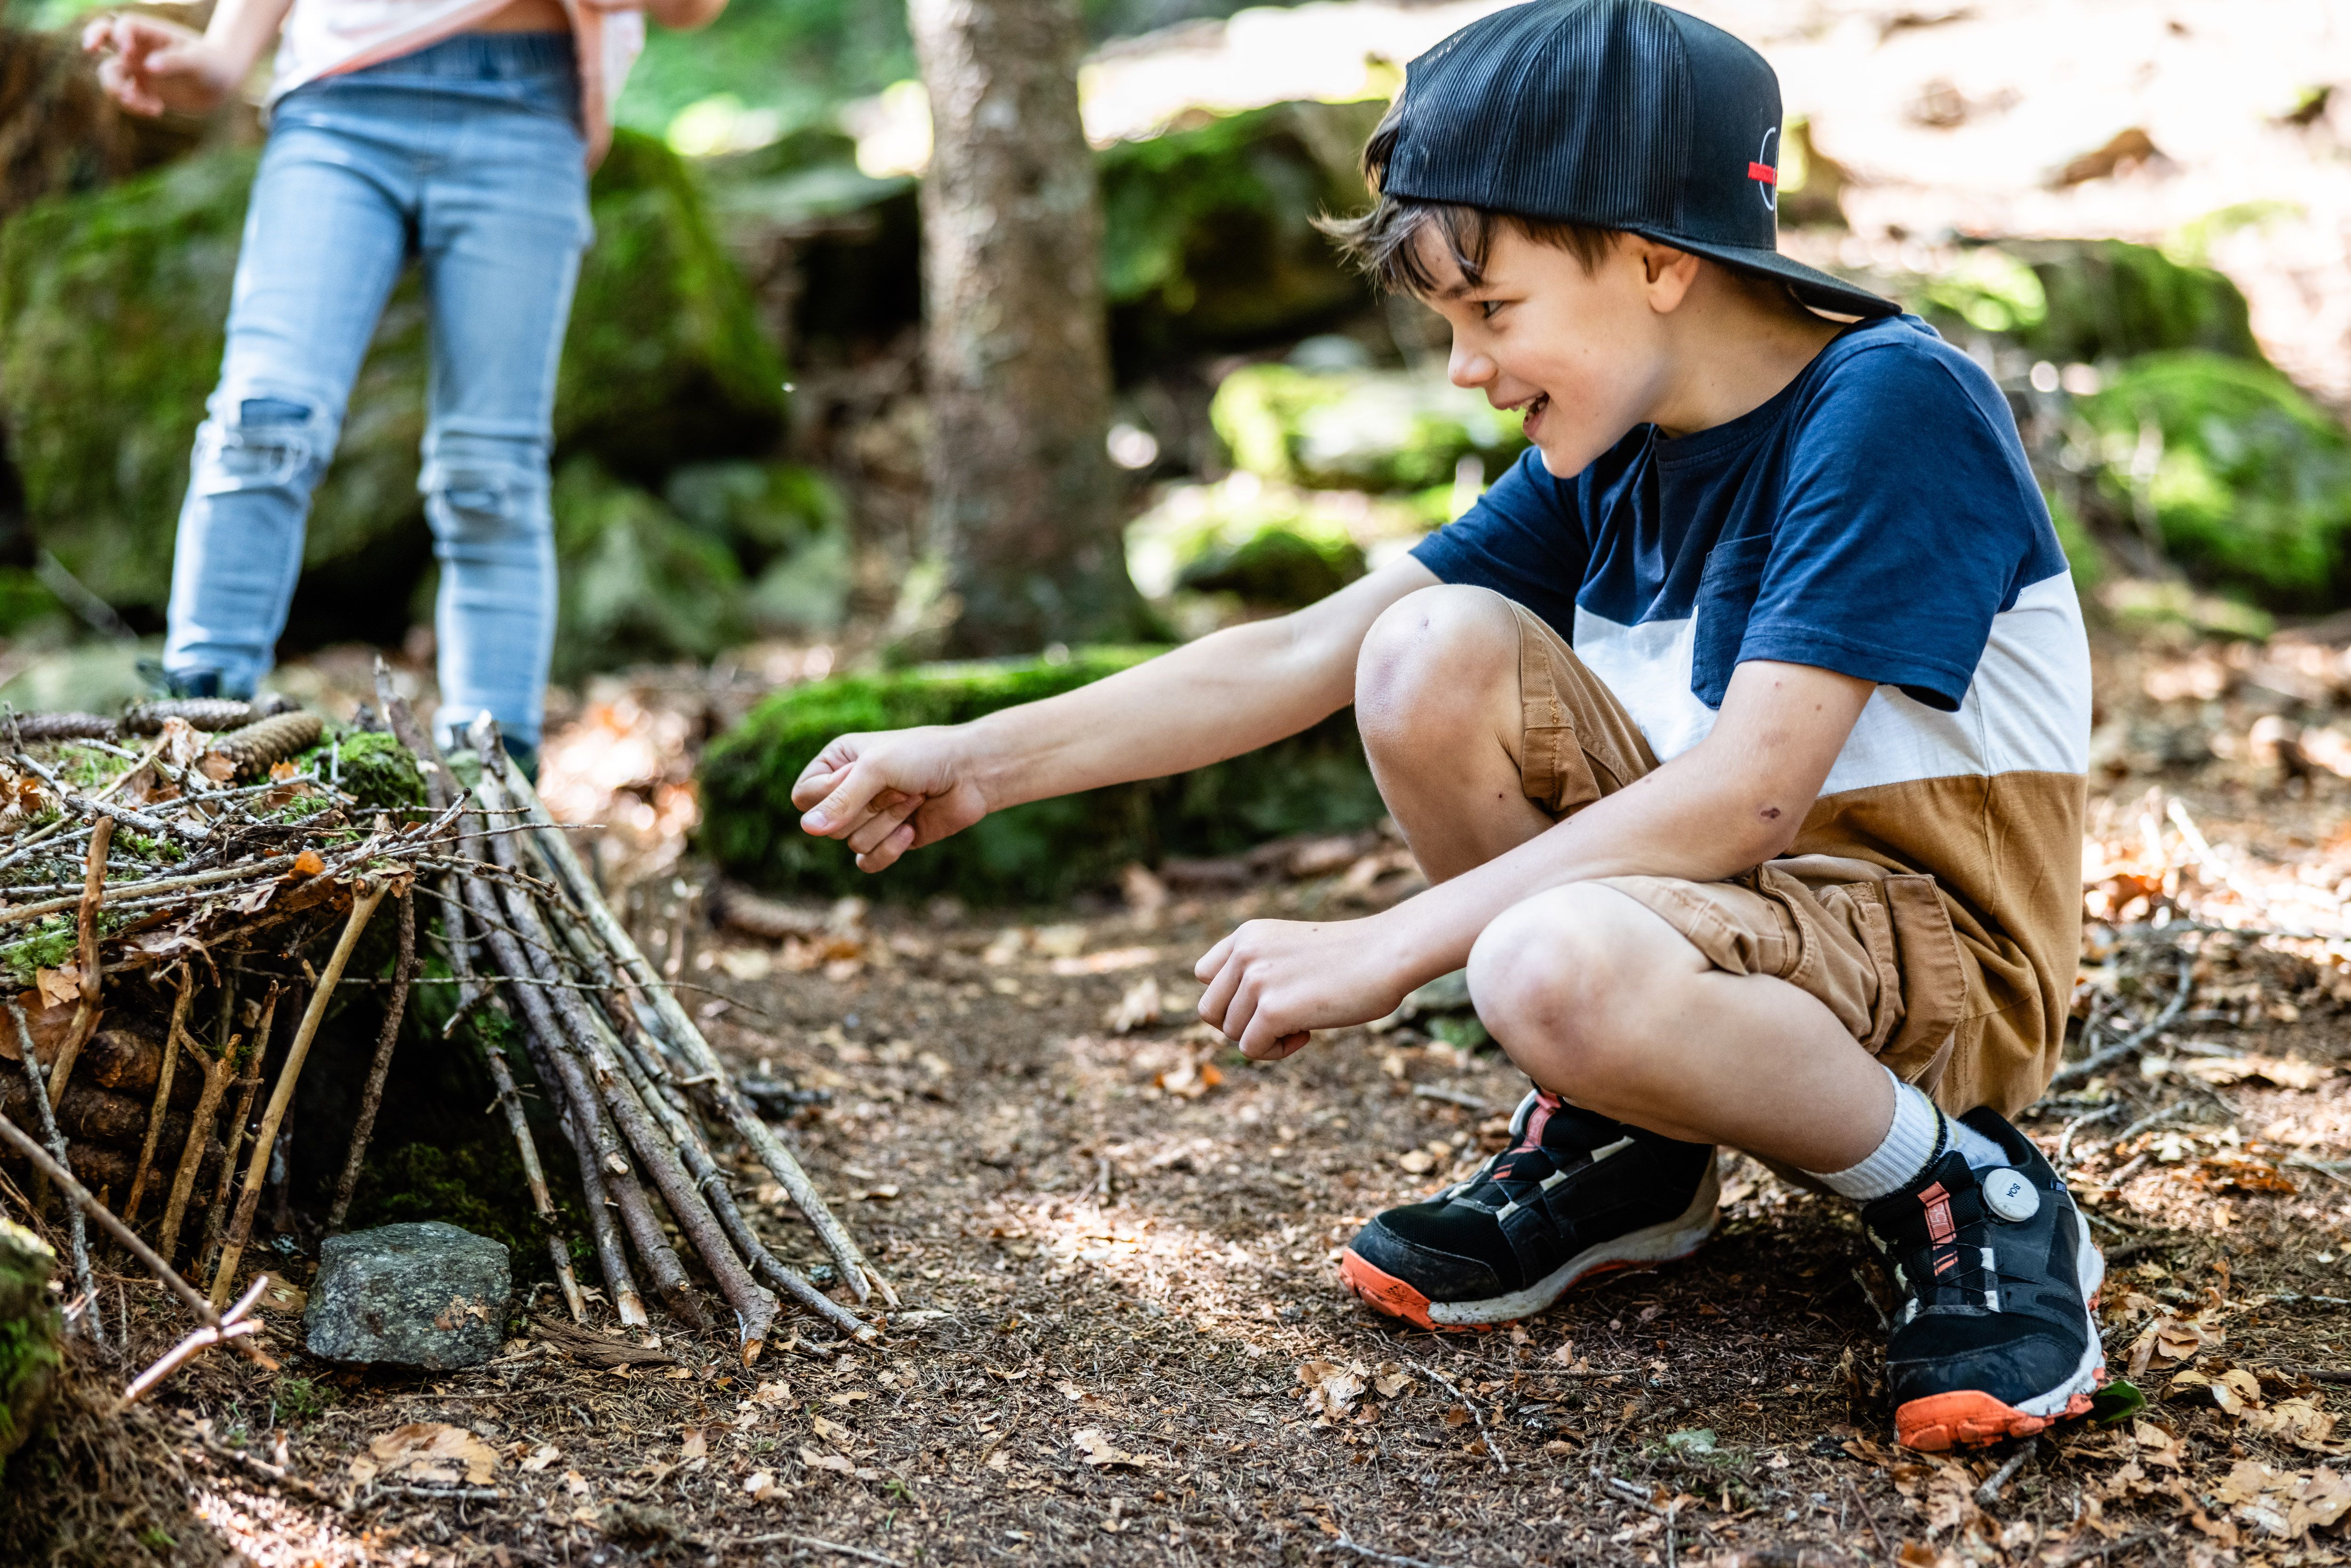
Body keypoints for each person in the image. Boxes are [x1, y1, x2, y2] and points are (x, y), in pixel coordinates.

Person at [789, 0, 2095, 1454]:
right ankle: (1633, 1143)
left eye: (1494, 311)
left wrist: (1387, 950)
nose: (1466, 367)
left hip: (1936, 954)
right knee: (1424, 653)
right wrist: (974, 758)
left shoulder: (1889, 403)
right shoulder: (1619, 441)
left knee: (1541, 957)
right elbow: (1300, 651)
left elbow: (1746, 802)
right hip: (1746, 924)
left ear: (1659, 262)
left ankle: (1963, 1185)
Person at [83, 0, 724, 771]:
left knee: (492, 471)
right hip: (336, 97)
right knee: (263, 423)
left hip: (526, 102)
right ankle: (191, 734)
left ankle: (493, 787)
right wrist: (225, 53)